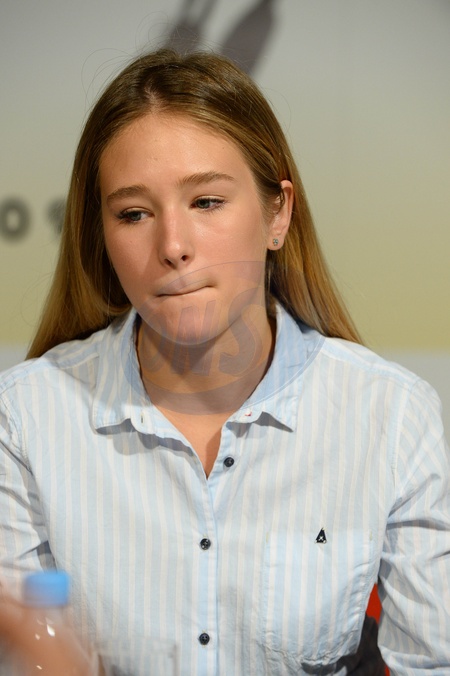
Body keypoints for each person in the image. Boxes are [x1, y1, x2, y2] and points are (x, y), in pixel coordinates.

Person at [0, 48, 448, 675]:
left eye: (206, 202)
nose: (173, 246)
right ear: (101, 234)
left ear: (277, 213)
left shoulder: (393, 416)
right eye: (133, 213)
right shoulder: (25, 418)